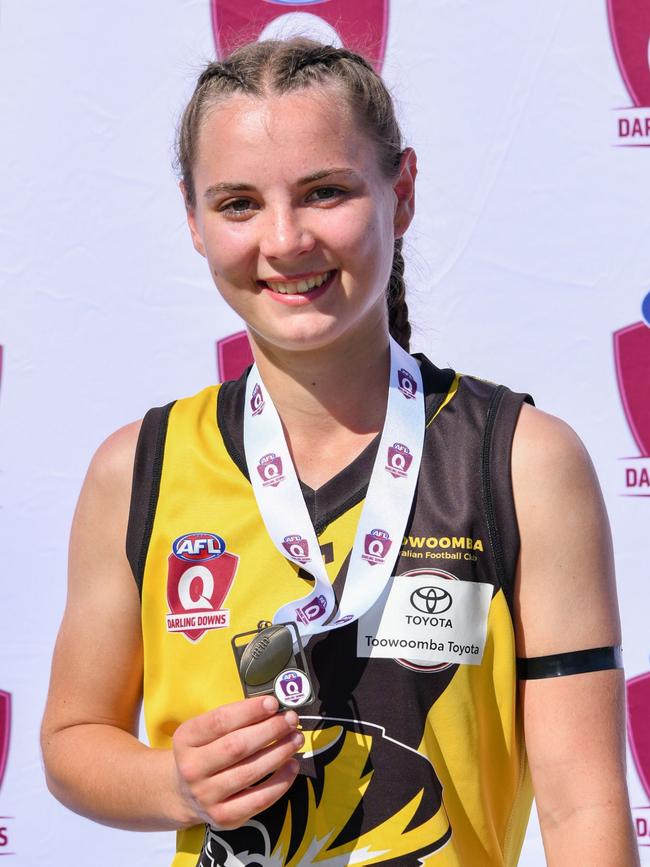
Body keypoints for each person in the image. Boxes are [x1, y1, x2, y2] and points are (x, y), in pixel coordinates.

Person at [41, 38, 639, 867]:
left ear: (402, 192)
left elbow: (585, 810)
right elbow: (74, 740)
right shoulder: (135, 467)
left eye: (325, 192)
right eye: (239, 203)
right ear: (193, 220)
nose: (285, 241)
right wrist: (173, 784)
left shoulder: (521, 462)